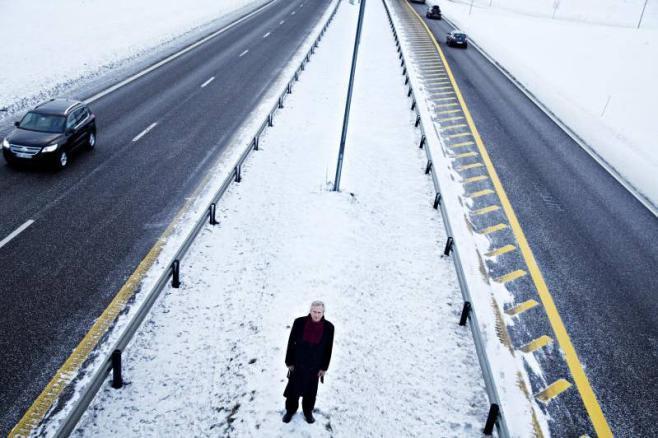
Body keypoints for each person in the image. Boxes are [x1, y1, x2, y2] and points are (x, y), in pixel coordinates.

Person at [282, 300, 334, 424]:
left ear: (323, 313)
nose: (316, 315)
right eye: (314, 312)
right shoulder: (299, 322)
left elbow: (328, 349)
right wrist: (289, 361)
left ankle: (307, 412)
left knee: (311, 393)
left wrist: (324, 368)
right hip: (298, 364)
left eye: (319, 312)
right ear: (310, 311)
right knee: (293, 391)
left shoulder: (329, 327)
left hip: (314, 366)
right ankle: (290, 410)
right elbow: (291, 343)